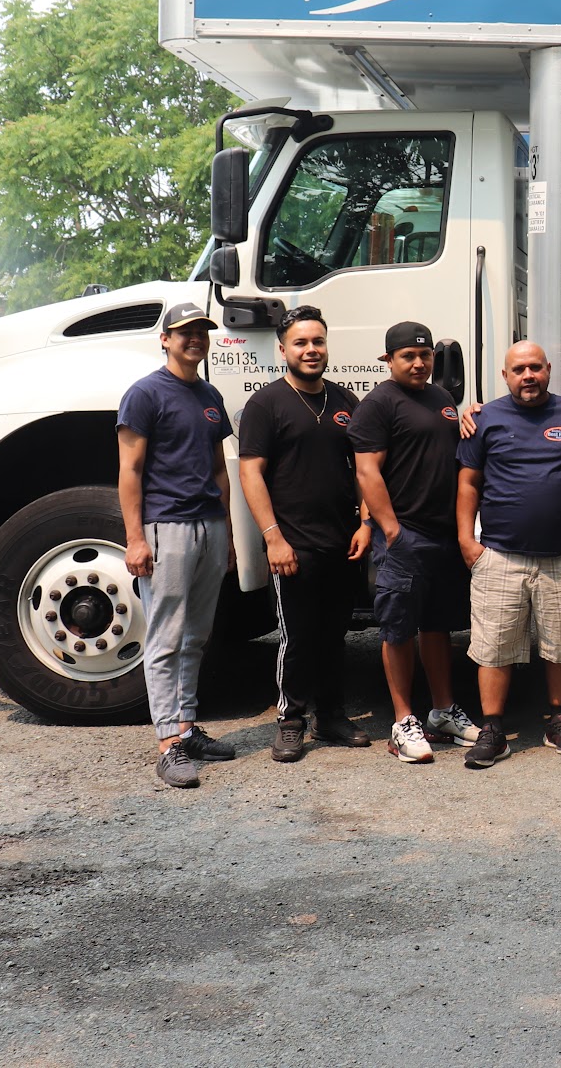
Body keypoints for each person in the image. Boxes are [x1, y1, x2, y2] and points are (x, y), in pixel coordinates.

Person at [236, 305, 372, 762]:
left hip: (342, 542)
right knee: (297, 638)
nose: (311, 350)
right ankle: (290, 721)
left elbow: (362, 469)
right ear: (283, 350)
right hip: (292, 544)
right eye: (300, 343)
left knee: (335, 636)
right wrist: (273, 538)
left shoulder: (345, 401)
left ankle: (330, 717)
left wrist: (365, 523)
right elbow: (250, 473)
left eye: (317, 341)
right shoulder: (266, 404)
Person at [454, 342, 561, 768]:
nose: (528, 376)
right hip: (499, 555)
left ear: (549, 369)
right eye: (518, 370)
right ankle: (493, 730)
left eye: (535, 367)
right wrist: (466, 541)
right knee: (493, 646)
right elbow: (468, 483)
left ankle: (559, 721)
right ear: (505, 376)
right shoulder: (485, 418)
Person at [117, 302, 237, 789]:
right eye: (185, 332)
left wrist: (228, 533)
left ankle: (186, 728)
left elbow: (220, 469)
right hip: (166, 526)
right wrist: (134, 539)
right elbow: (129, 471)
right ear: (165, 339)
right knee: (166, 638)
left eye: (202, 331)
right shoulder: (145, 394)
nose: (195, 339)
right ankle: (168, 744)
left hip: (209, 526)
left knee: (196, 635)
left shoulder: (209, 395)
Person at [351, 321, 481, 763]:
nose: (419, 363)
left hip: (443, 535)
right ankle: (403, 721)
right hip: (405, 534)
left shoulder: (441, 398)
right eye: (408, 356)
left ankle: (443, 711)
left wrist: (471, 415)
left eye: (425, 356)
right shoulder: (379, 403)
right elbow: (367, 471)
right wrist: (390, 530)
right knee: (398, 629)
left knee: (438, 626)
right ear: (389, 360)